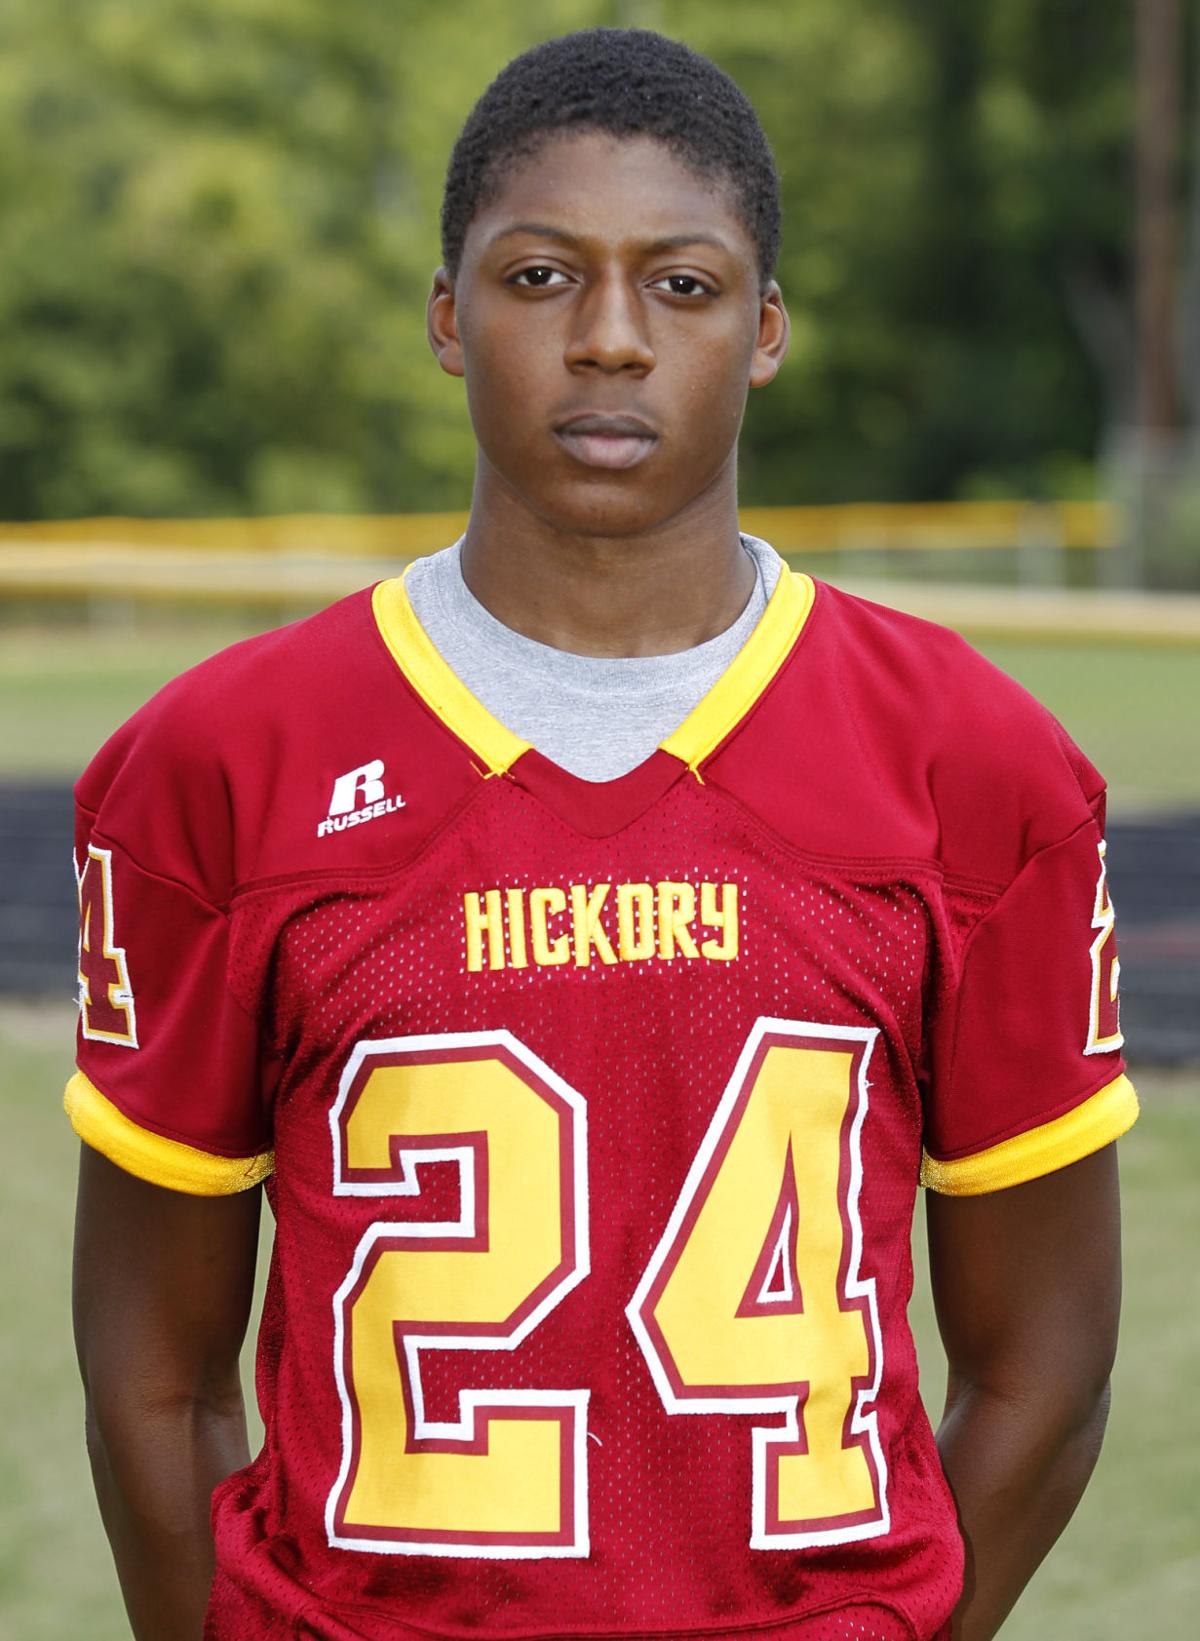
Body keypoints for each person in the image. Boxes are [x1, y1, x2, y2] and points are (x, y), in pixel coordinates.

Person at [68, 28, 1137, 1641]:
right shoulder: (223, 763)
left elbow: (1046, 1370)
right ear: (447, 316)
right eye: (542, 277)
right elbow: (152, 1377)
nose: (613, 341)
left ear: (767, 331)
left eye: (684, 286)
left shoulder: (976, 768)